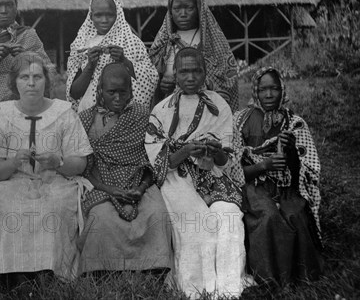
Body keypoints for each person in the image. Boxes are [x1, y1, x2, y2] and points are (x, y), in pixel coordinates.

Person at [145, 48, 249, 299]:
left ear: (204, 73)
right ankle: (195, 289)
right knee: (197, 221)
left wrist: (215, 152)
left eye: (196, 71)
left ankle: (228, 289)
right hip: (176, 177)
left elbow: (226, 160)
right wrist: (186, 151)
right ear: (175, 74)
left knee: (228, 214)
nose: (190, 77)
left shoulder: (218, 106)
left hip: (211, 175)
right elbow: (157, 161)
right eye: (184, 71)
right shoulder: (162, 109)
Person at [0, 52, 93, 283]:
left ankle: (50, 270)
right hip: (13, 182)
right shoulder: (3, 117)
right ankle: (13, 273)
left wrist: (58, 163)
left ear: (47, 81)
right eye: (24, 77)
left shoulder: (64, 114)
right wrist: (12, 162)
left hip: (56, 181)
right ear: (14, 83)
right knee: (13, 209)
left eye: (37, 77)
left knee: (51, 209)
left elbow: (80, 163)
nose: (31, 83)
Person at [77, 63, 172, 274]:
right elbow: (84, 166)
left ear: (131, 91)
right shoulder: (85, 119)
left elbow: (152, 158)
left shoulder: (142, 115)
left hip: (140, 181)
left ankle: (153, 270)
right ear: (100, 90)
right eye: (112, 92)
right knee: (101, 217)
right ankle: (101, 271)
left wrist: (141, 188)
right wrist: (109, 190)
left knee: (156, 214)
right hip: (99, 182)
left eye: (123, 92)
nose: (118, 98)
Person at [234, 67, 323, 286]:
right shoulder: (241, 120)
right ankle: (269, 277)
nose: (269, 94)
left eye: (274, 88)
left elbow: (303, 170)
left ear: (282, 89)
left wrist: (292, 152)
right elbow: (234, 169)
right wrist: (265, 165)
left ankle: (303, 274)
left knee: (296, 212)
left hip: (286, 185)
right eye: (263, 89)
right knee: (267, 216)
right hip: (254, 184)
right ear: (255, 91)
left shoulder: (294, 123)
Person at [149, 0, 238, 111]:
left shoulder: (211, 41)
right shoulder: (164, 43)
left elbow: (227, 78)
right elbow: (150, 78)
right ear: (170, 11)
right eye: (177, 9)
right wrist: (162, 85)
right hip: (170, 111)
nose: (183, 14)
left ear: (198, 9)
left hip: (206, 112)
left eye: (189, 8)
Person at [67, 0, 158, 112]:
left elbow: (151, 79)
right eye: (98, 15)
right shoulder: (81, 45)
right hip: (89, 114)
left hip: (125, 113)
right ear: (91, 16)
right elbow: (74, 93)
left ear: (117, 15)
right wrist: (90, 66)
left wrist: (124, 61)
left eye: (109, 15)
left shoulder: (132, 42)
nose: (104, 20)